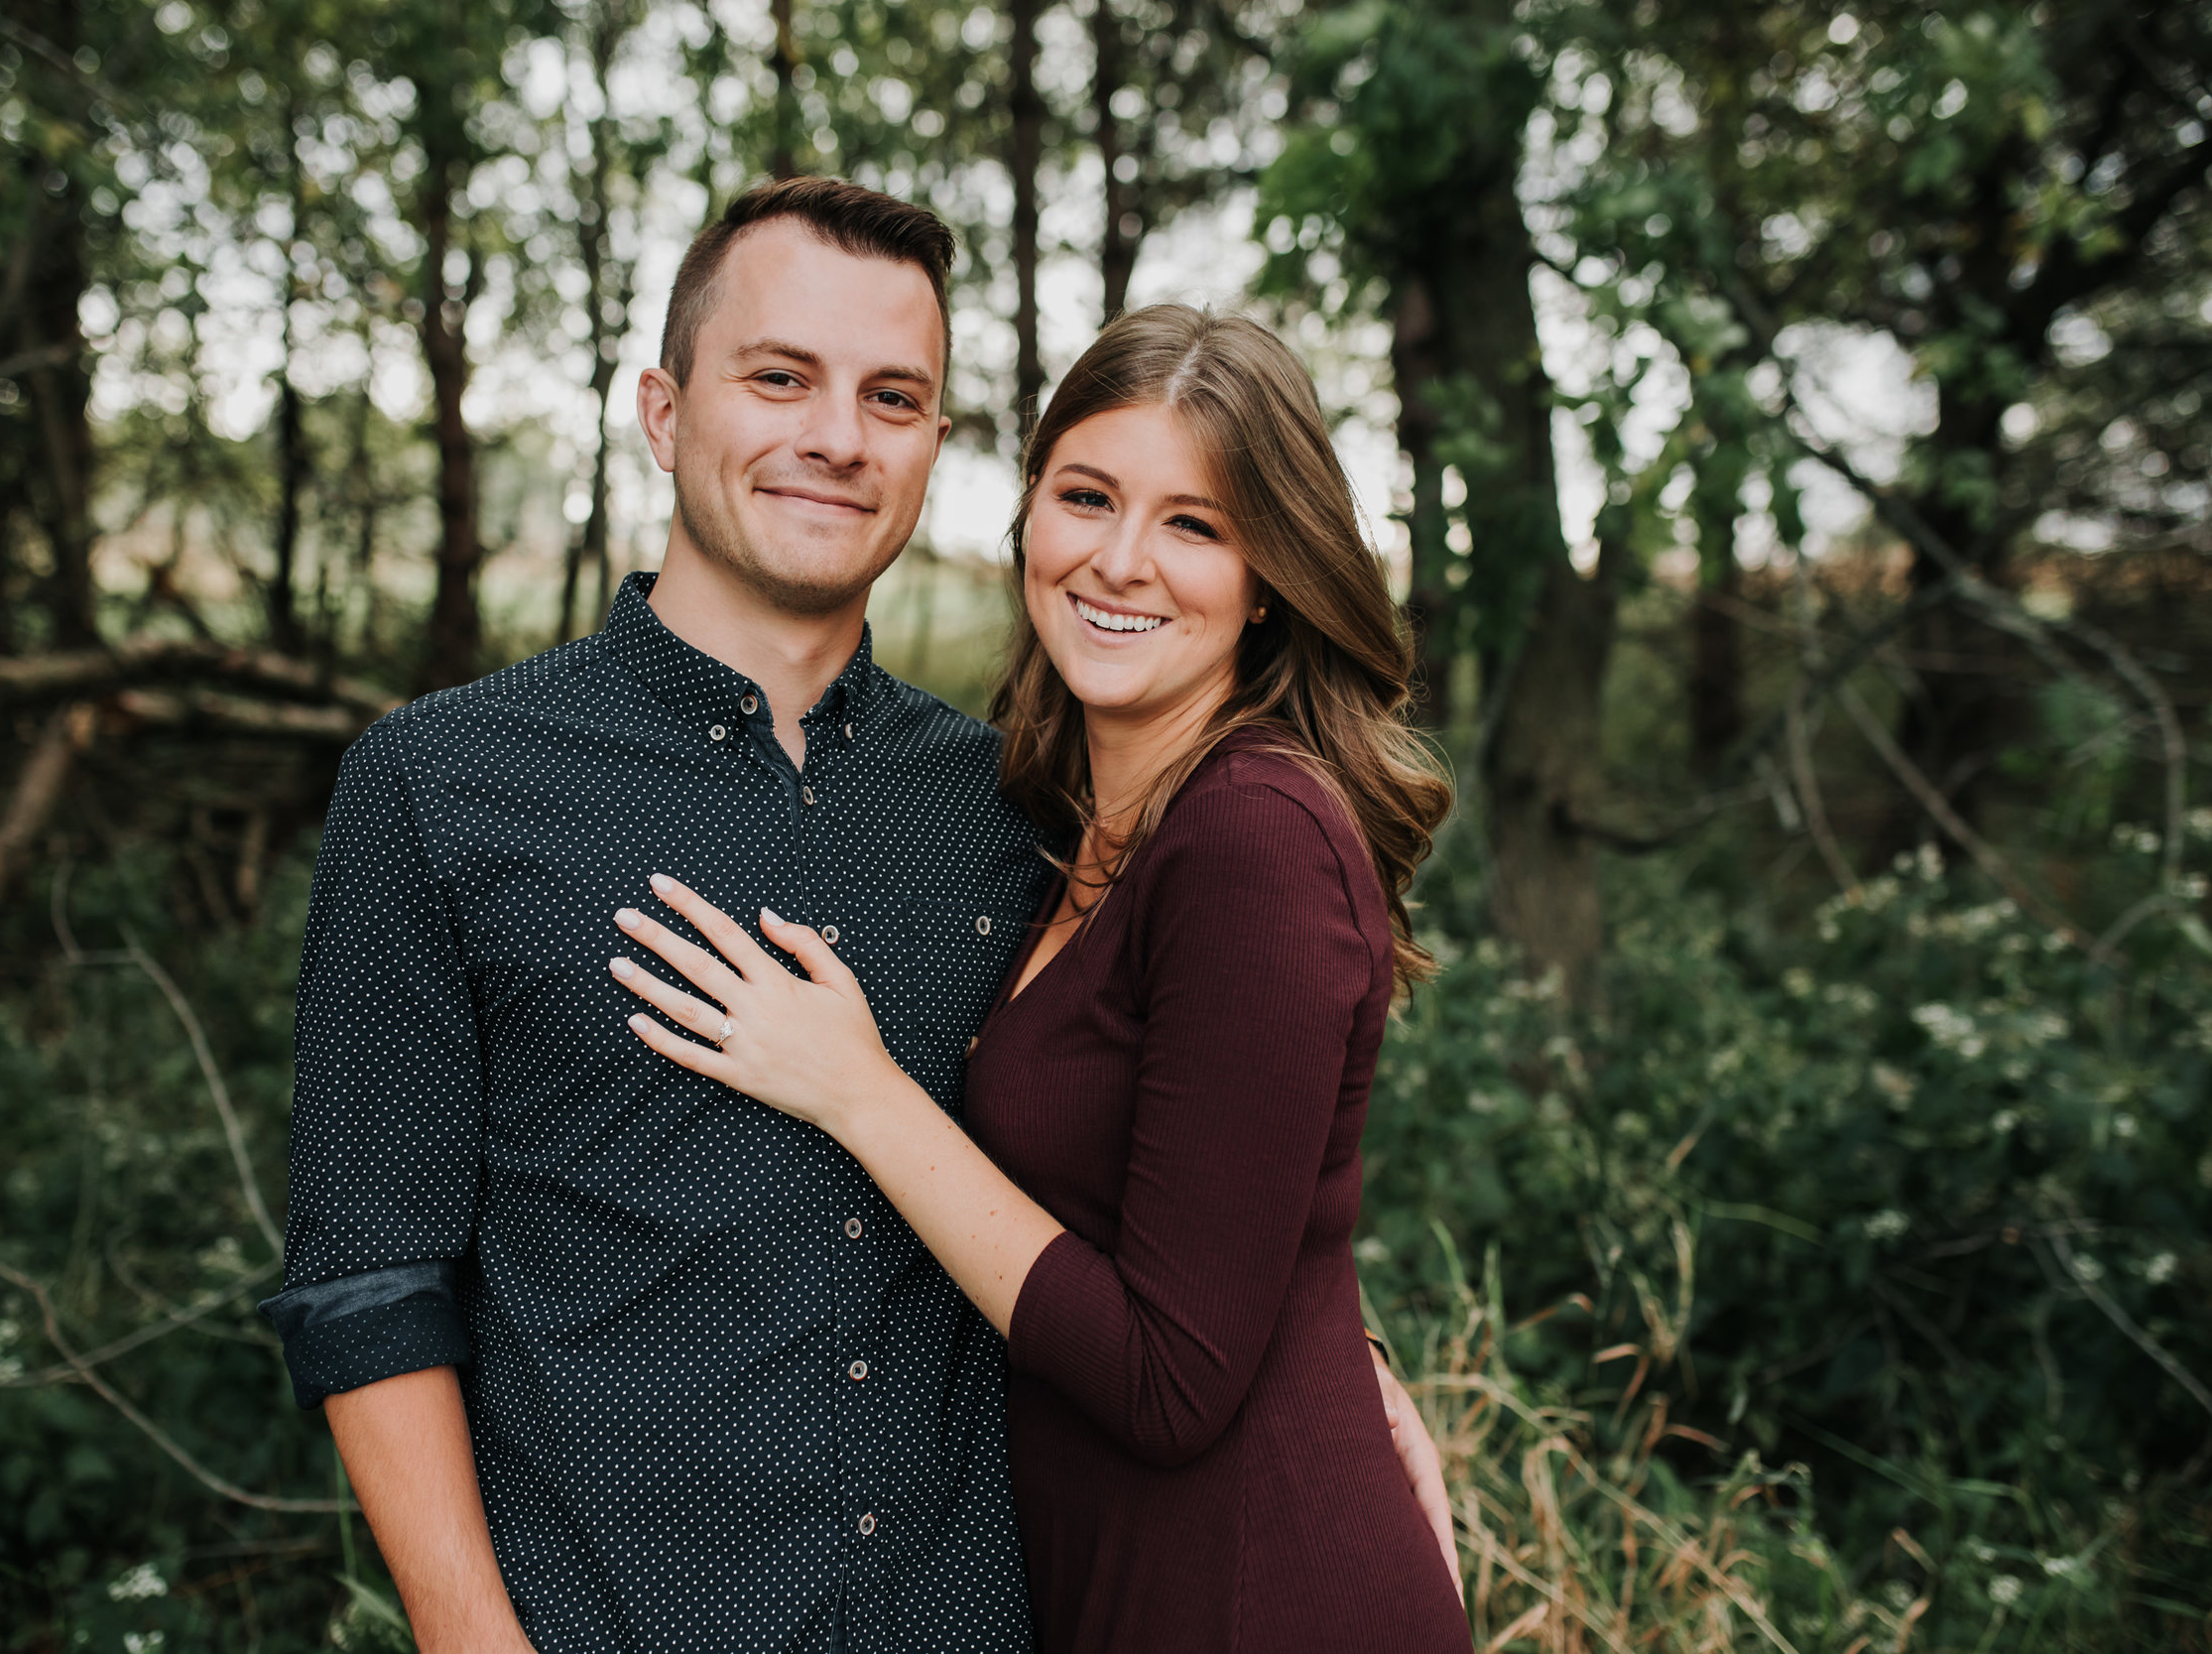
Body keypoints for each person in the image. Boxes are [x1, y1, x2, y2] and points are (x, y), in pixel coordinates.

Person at [264, 176, 1453, 1654]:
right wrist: (465, 1635)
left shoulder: (1015, 808)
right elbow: (368, 1278)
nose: (838, 437)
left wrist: (1334, 1357)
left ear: (935, 449)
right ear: (662, 408)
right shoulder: (440, 787)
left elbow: (1173, 1169)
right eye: (780, 379)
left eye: (892, 397)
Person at [605, 305, 1473, 1653]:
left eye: (1197, 524)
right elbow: (1224, 1219)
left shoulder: (1253, 836)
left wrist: (861, 1092)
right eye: (1087, 497)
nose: (1121, 560)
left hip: (1257, 1597)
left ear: (1271, 575)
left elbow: (1175, 1376)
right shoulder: (1070, 825)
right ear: (1029, 521)